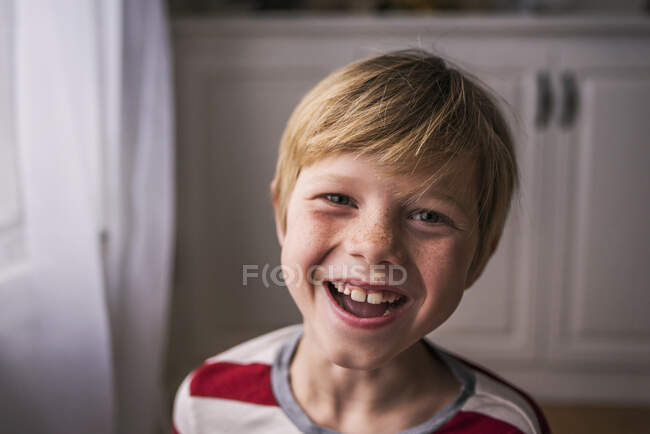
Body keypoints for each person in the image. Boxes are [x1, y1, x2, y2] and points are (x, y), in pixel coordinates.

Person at [172, 49, 551, 434]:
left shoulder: (507, 427)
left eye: (429, 216)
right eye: (337, 199)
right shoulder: (208, 404)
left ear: (479, 258)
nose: (374, 245)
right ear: (282, 215)